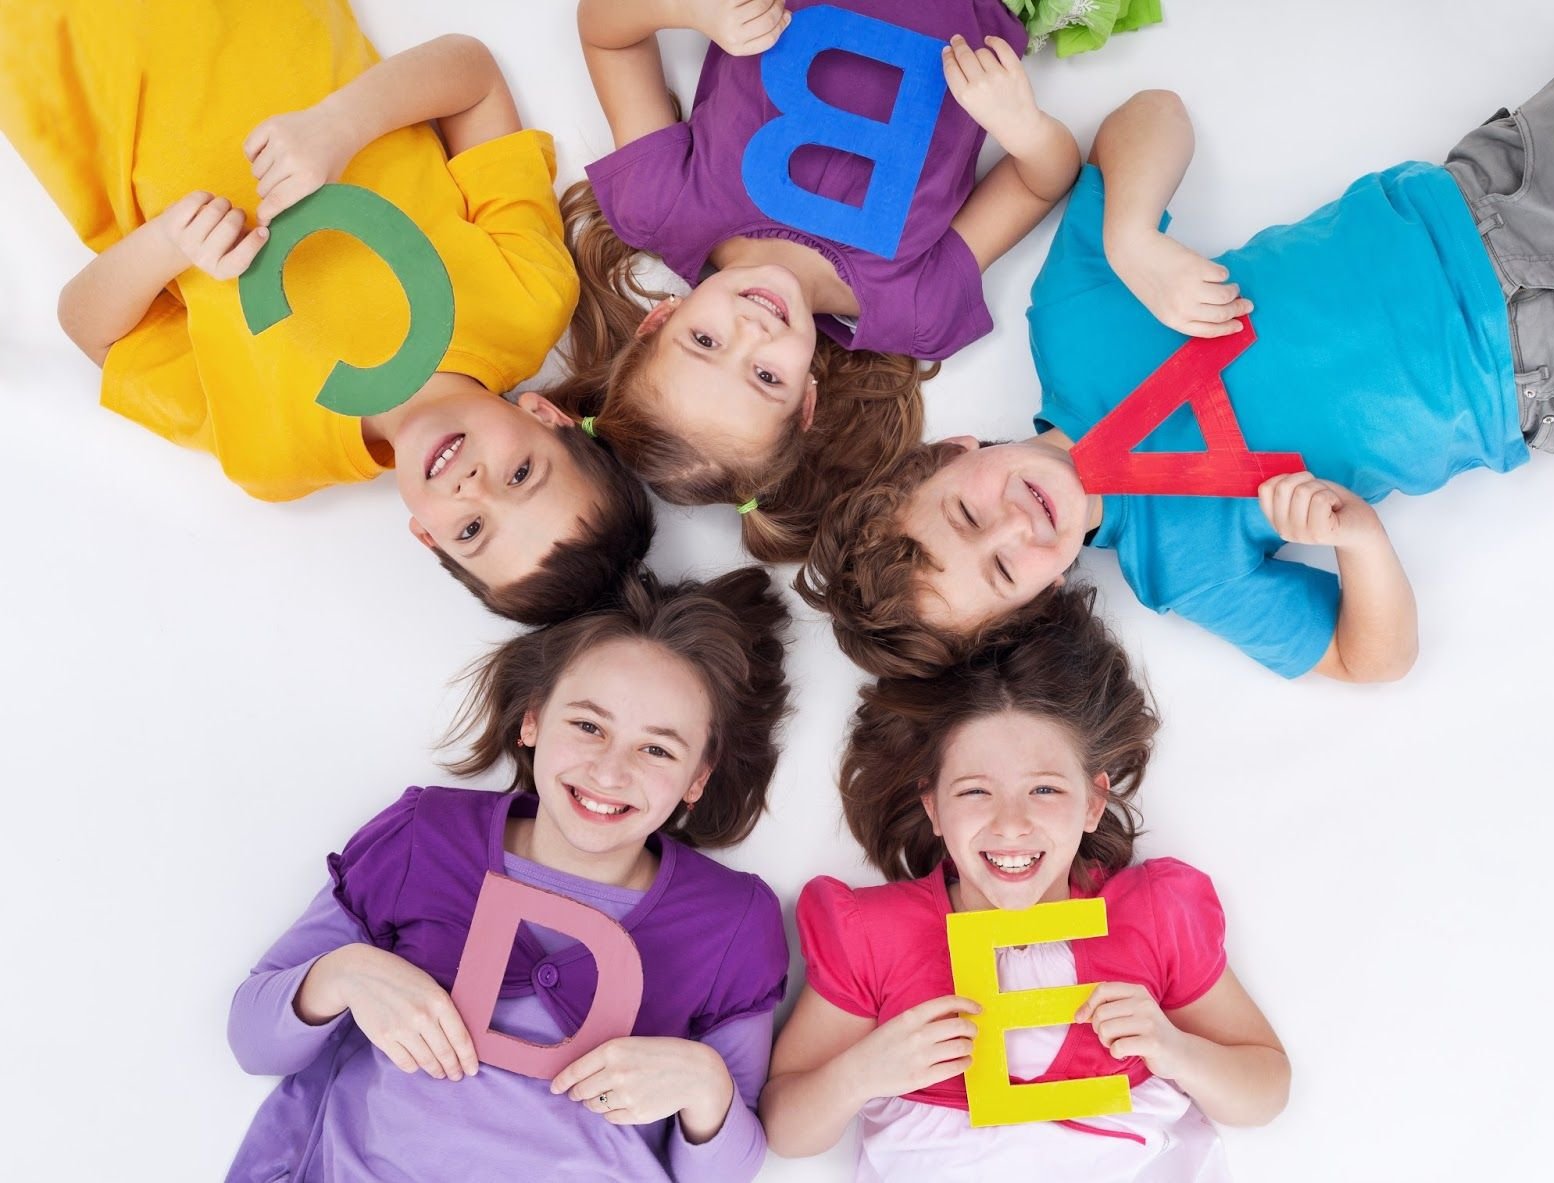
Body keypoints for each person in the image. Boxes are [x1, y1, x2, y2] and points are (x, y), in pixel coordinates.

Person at [802, 40, 1554, 680]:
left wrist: (1131, 235)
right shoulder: (1185, 573)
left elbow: (1151, 114)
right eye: (1004, 571)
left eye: (968, 515)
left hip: (1498, 196)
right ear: (1039, 599)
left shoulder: (1070, 322)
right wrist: (1360, 542)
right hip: (1549, 373)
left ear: (953, 451)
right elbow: (1370, 659)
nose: (1014, 524)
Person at [0, 0, 653, 624]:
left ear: (426, 536)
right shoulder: (529, 298)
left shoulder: (274, 456)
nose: (474, 486)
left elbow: (90, 329)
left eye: (473, 529)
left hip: (58, 43)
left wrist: (166, 245)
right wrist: (342, 123)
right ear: (546, 417)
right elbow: (474, 80)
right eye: (521, 474)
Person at [225, 566, 793, 1182]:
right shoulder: (424, 835)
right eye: (588, 726)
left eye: (657, 749)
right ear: (532, 721)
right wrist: (344, 976)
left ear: (698, 779)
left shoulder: (732, 921)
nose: (609, 772)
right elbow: (253, 1040)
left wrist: (706, 1086)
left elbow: (724, 1174)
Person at [760, 588, 1289, 1180]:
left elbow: (1265, 1092)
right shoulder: (873, 936)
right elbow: (784, 1130)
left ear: (1092, 803)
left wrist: (1176, 1049)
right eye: (974, 791)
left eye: (1044, 789)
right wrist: (861, 1073)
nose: (1011, 824)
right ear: (933, 807)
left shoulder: (1154, 916)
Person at [557, 0, 1081, 560]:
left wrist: (692, 10)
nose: (751, 331)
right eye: (765, 376)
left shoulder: (660, 205)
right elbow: (1040, 183)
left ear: (660, 318)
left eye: (705, 342)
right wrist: (1025, 129)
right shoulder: (913, 304)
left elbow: (607, 33)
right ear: (806, 400)